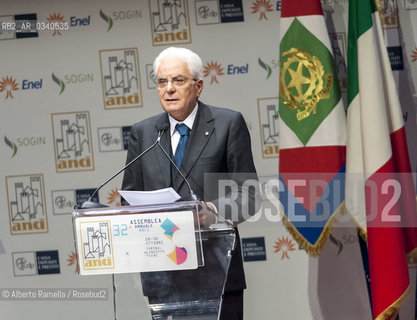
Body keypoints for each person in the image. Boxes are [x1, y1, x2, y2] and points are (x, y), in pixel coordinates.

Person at [121, 46, 259, 320]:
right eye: (162, 81)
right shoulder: (143, 133)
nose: (169, 89)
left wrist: (213, 212)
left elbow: (249, 196)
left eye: (178, 80)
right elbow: (129, 199)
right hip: (163, 278)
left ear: (198, 86)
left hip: (217, 272)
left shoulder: (227, 123)